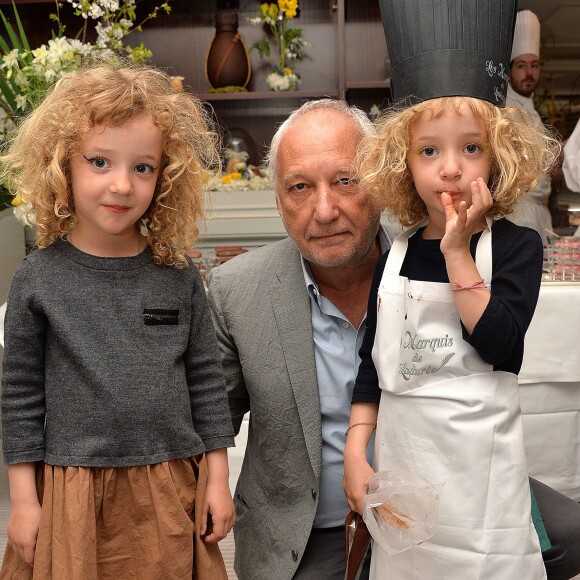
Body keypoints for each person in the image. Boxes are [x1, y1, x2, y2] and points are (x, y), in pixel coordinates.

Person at [343, 0, 562, 578]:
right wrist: (355, 447)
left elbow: (502, 346)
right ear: (403, 164)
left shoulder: (516, 248)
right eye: (429, 151)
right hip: (406, 480)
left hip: (481, 496)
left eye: (471, 148)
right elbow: (372, 362)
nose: (450, 169)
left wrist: (459, 251)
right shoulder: (393, 255)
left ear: (500, 157)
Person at [0, 64, 235, 580]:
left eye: (144, 167)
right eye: (100, 161)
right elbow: (19, 396)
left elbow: (206, 384)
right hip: (72, 490)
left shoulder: (178, 276)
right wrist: (23, 500)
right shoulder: (37, 279)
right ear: (62, 164)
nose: (122, 185)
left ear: (166, 175)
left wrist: (216, 477)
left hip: (170, 486)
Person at [206, 98, 387, 579]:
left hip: (420, 524)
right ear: (279, 200)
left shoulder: (429, 272)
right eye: (300, 187)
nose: (324, 210)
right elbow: (207, 420)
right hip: (303, 538)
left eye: (345, 181)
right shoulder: (238, 291)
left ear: (381, 183)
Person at [506, 9, 554, 244]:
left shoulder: (533, 110)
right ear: (509, 72)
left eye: (534, 65)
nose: (529, 73)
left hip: (539, 213)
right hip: (518, 214)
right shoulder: (504, 109)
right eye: (522, 66)